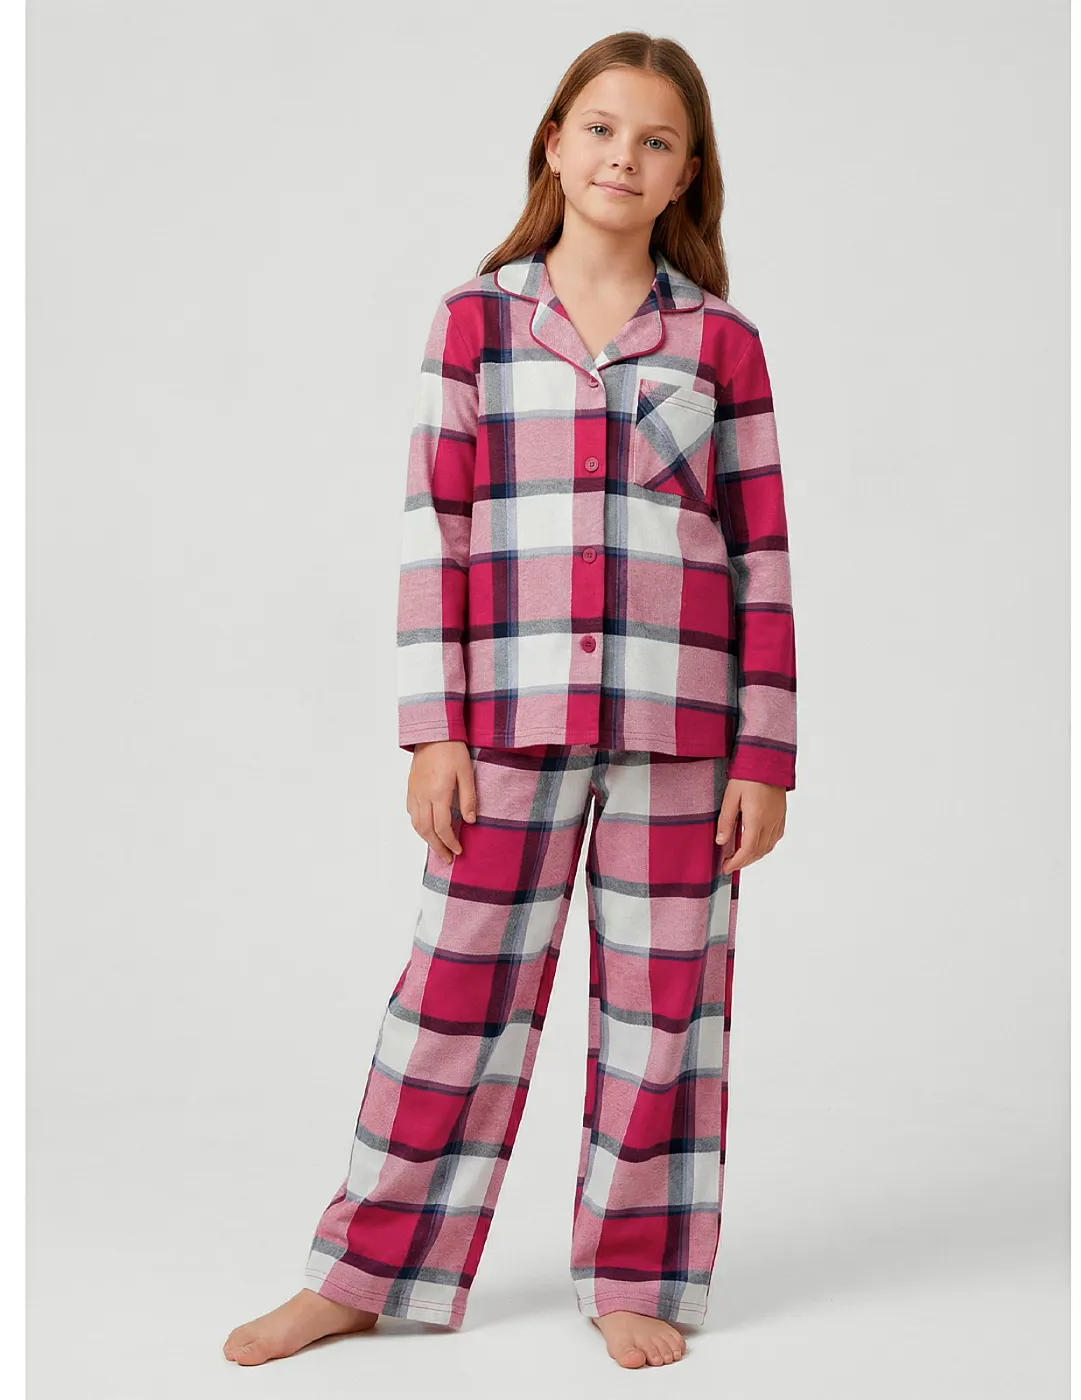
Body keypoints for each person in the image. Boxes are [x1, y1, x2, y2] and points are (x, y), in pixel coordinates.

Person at [224, 28, 797, 1372]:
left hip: (682, 730)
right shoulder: (476, 323)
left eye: (655, 140)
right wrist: (433, 729)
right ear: (554, 141)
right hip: (508, 726)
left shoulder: (721, 343)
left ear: (686, 173)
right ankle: (369, 1269)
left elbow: (762, 555)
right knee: (453, 996)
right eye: (601, 128)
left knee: (665, 1011)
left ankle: (639, 1271)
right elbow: (436, 532)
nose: (623, 156)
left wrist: (764, 754)